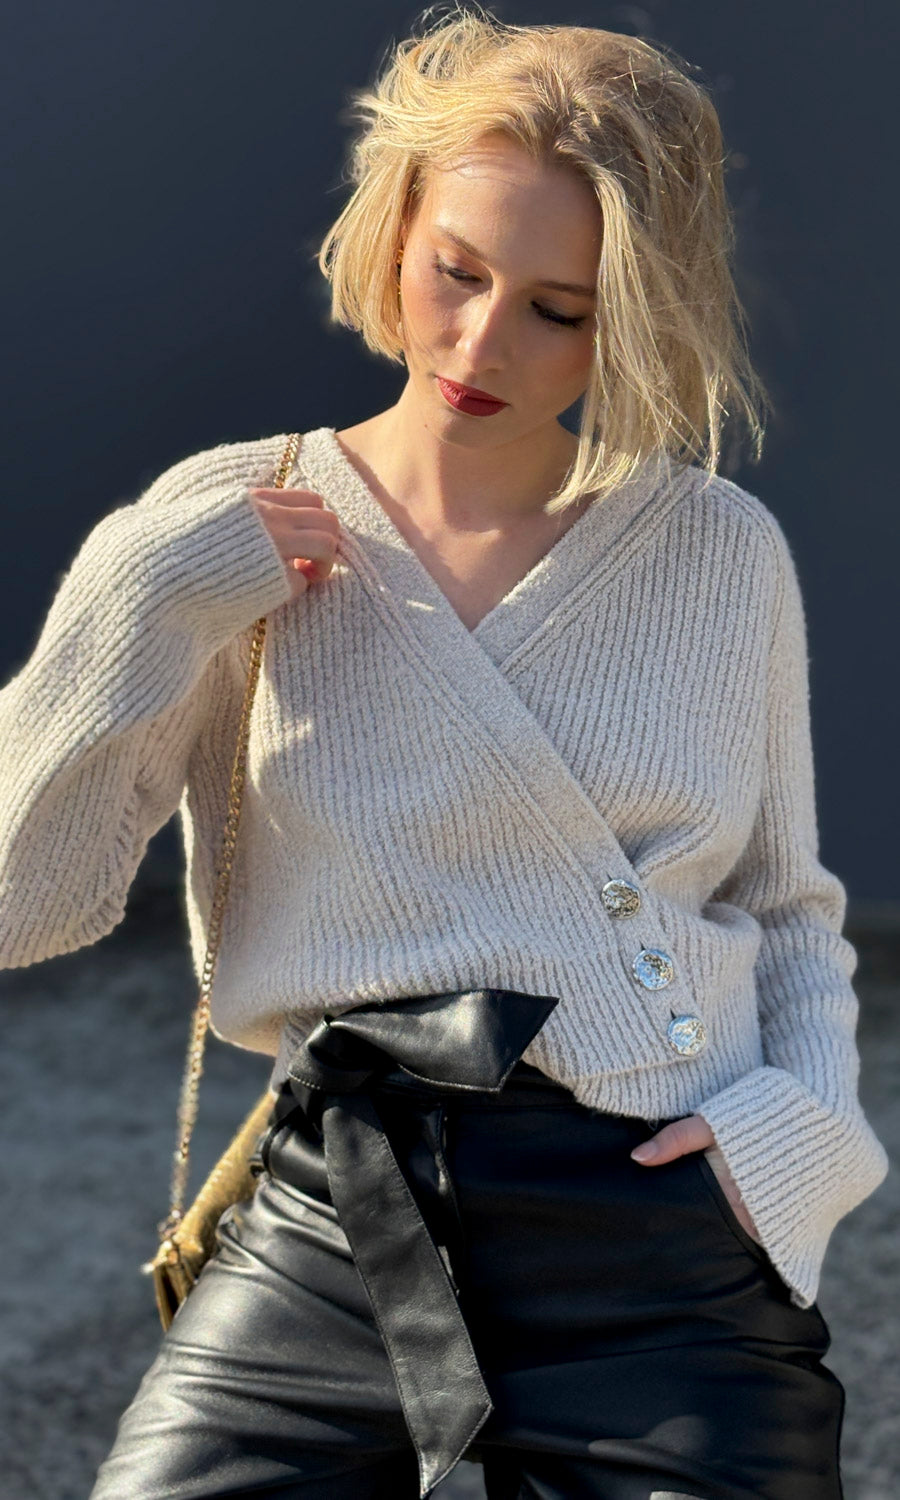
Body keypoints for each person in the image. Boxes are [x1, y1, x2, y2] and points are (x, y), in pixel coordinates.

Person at [0, 7, 888, 1498]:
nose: (480, 343)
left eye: (559, 309)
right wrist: (143, 595)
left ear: (635, 313)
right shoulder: (224, 522)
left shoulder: (719, 552)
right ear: (396, 224)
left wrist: (798, 1140)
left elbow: (784, 905)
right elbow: (21, 905)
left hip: (656, 1240)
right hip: (337, 1212)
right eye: (457, 272)